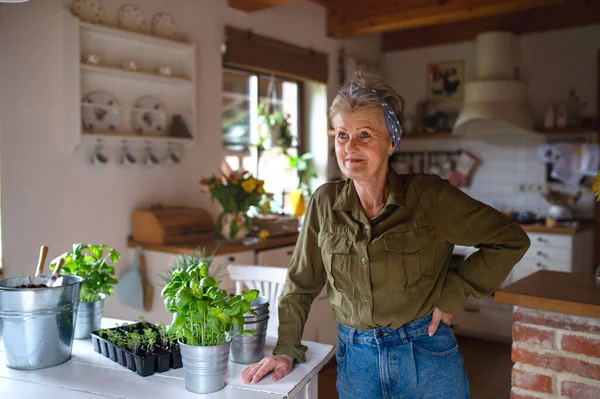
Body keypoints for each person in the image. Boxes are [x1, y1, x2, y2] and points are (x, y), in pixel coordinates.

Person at [241, 75, 530, 398]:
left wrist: (453, 292)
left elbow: (510, 239)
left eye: (364, 134)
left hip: (426, 353)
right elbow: (300, 285)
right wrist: (287, 348)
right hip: (356, 363)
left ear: (391, 142)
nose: (350, 147)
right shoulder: (324, 202)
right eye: (342, 135)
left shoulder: (430, 197)